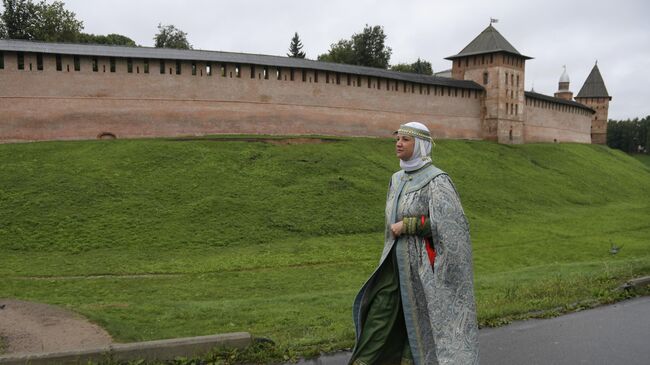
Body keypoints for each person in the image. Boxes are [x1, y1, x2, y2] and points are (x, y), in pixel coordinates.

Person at [349, 122, 479, 365]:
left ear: (419, 145)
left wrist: (409, 226)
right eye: (397, 139)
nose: (398, 143)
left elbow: (451, 227)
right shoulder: (396, 179)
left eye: (405, 140)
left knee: (420, 323)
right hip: (392, 263)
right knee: (380, 313)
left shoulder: (437, 180)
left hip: (421, 269)